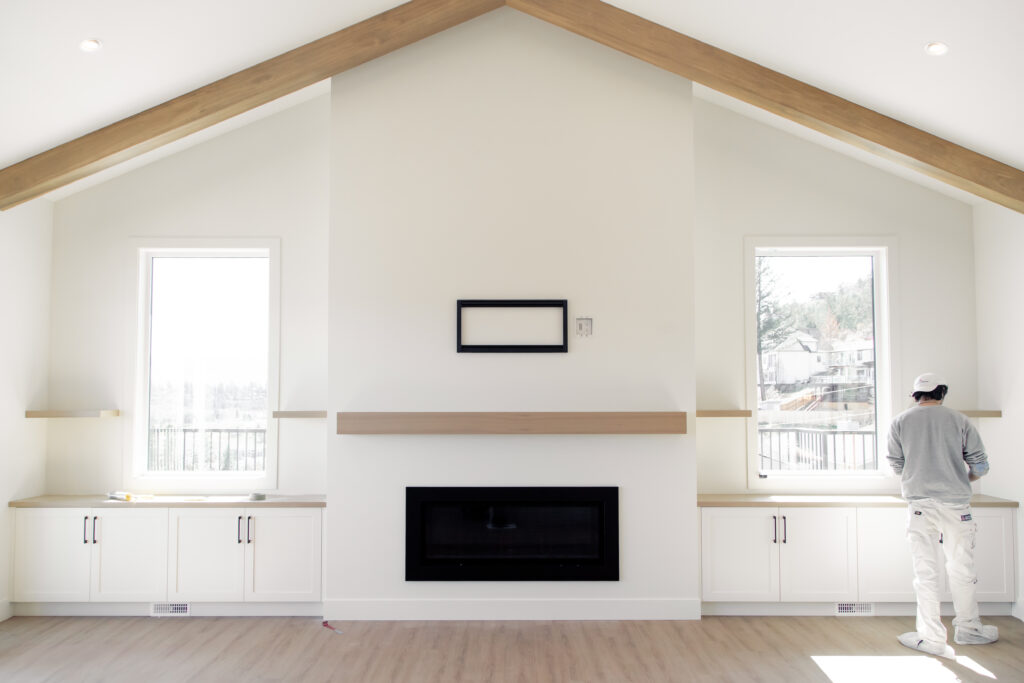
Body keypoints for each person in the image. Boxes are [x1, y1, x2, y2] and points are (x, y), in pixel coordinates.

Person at [887, 372, 999, 659]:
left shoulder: (900, 421)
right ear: (942, 393)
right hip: (956, 506)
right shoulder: (959, 420)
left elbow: (897, 466)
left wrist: (918, 476)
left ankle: (932, 637)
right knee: (962, 568)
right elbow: (981, 466)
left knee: (925, 573)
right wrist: (962, 479)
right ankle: (969, 629)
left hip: (920, 505)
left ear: (915, 396)